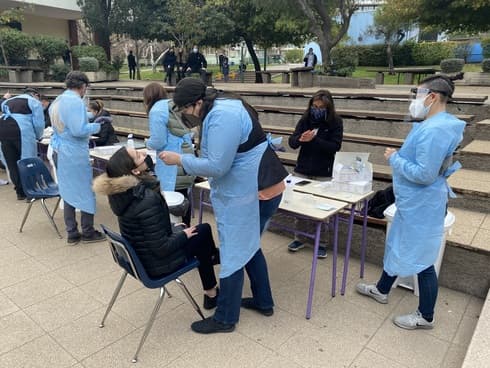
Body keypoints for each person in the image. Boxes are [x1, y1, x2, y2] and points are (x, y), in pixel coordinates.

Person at [160, 78, 277, 334]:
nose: (185, 116)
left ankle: (225, 318)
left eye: (185, 111)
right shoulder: (219, 106)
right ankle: (263, 301)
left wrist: (180, 159)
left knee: (234, 250)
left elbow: (217, 166)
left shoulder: (222, 115)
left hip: (254, 189)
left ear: (198, 103)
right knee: (248, 245)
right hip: (253, 186)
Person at [356, 75, 466, 330]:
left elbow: (425, 174)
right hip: (414, 202)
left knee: (423, 260)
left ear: (433, 97)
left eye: (418, 94)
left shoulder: (435, 129)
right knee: (399, 245)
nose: (415, 100)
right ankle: (382, 289)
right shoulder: (434, 124)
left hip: (422, 204)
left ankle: (425, 315)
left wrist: (395, 158)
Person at [93, 146, 219, 309]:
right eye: (139, 156)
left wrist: (173, 229)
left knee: (197, 233)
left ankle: (211, 262)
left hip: (140, 258)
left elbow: (146, 231)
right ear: (135, 172)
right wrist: (182, 235)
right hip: (157, 264)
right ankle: (211, 292)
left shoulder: (119, 194)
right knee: (201, 232)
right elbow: (161, 247)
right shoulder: (146, 199)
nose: (144, 154)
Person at [49, 71, 105, 244]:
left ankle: (72, 232)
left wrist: (88, 117)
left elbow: (68, 121)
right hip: (73, 153)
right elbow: (78, 130)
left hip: (60, 149)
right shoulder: (75, 101)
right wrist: (96, 126)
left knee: (68, 192)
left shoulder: (58, 100)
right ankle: (88, 231)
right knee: (86, 191)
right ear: (83, 87)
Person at [287, 89, 343, 258]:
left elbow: (335, 147)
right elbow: (292, 142)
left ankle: (322, 242)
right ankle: (300, 238)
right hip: (303, 169)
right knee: (299, 207)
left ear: (328, 107)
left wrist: (315, 140)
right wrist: (300, 139)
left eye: (321, 107)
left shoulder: (335, 122)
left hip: (323, 171)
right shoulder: (305, 119)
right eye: (314, 106)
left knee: (321, 209)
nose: (317, 109)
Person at [144, 82, 195, 226]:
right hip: (186, 156)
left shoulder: (156, 111)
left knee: (172, 202)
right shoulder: (171, 105)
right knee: (184, 200)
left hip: (171, 163)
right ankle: (187, 232)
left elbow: (159, 141)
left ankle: (177, 236)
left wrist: (148, 143)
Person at [0, 88, 45, 200]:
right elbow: (39, 123)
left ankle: (20, 191)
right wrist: (38, 136)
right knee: (27, 161)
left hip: (3, 129)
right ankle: (31, 191)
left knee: (11, 162)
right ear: (35, 95)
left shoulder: (7, 101)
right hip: (21, 130)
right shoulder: (34, 102)